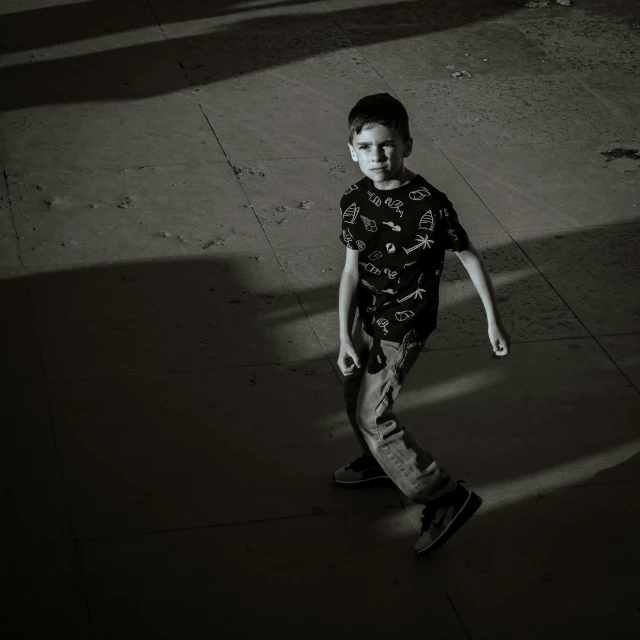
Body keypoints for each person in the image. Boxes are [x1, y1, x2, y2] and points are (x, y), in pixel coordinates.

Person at [334, 93, 510, 554]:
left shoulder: (430, 204)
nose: (377, 156)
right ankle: (381, 460)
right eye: (366, 147)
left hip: (403, 328)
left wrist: (493, 320)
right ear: (351, 150)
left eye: (387, 145)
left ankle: (446, 497)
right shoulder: (354, 199)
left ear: (407, 145)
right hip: (368, 318)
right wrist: (344, 334)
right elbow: (351, 271)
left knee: (374, 414)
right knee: (354, 393)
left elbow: (469, 257)